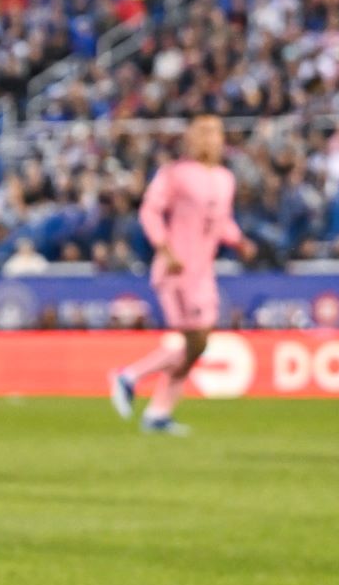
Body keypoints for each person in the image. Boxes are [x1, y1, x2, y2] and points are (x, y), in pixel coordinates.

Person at [109, 114, 255, 435]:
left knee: (197, 345)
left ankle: (157, 410)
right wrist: (165, 248)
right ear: (191, 139)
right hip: (177, 269)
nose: (210, 139)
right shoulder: (175, 174)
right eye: (204, 133)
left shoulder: (225, 178)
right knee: (195, 341)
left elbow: (221, 221)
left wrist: (239, 241)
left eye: (215, 133)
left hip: (204, 271)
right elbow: (150, 211)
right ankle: (130, 376)